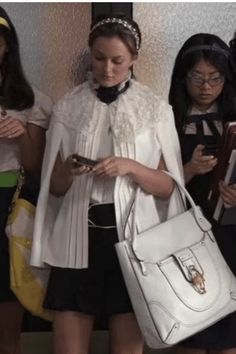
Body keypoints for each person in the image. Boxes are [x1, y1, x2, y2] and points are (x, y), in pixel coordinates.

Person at [30, 14, 185, 354]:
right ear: (90, 54)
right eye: (99, 58)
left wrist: (130, 167)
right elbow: (53, 188)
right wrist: (70, 170)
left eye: (118, 60)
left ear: (134, 59)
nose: (108, 69)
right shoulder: (69, 106)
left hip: (133, 242)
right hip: (77, 237)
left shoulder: (155, 108)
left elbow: (169, 187)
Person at [169, 33, 236, 354]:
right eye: (197, 77)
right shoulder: (167, 119)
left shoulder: (233, 120)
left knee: (228, 331)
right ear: (182, 77)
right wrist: (190, 169)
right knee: (191, 323)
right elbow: (153, 182)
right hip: (184, 233)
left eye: (215, 78)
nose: (206, 87)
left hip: (229, 232)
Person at [0, 6, 52, 354]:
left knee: (8, 287)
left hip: (8, 200)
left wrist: (20, 133)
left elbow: (35, 165)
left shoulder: (31, 99)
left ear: (7, 46)